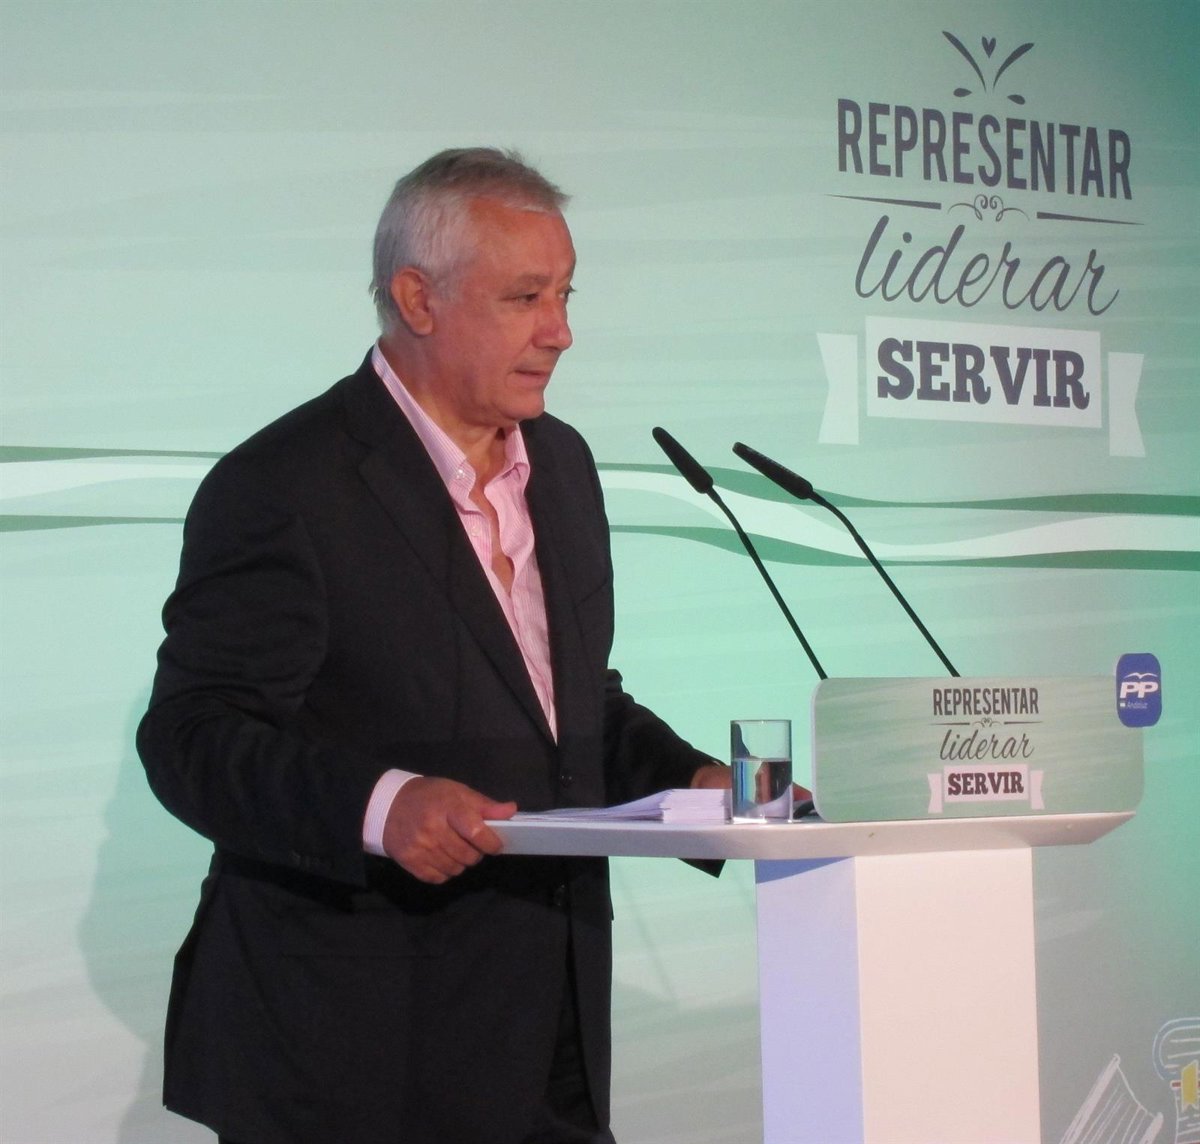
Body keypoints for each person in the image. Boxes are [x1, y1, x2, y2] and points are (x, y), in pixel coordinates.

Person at [137, 147, 730, 1144]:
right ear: (418, 298)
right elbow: (192, 735)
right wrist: (381, 805)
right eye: (526, 297)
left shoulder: (565, 466)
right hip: (351, 1057)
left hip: (549, 1037)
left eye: (566, 294)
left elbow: (570, 703)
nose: (561, 331)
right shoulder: (285, 484)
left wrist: (696, 782)